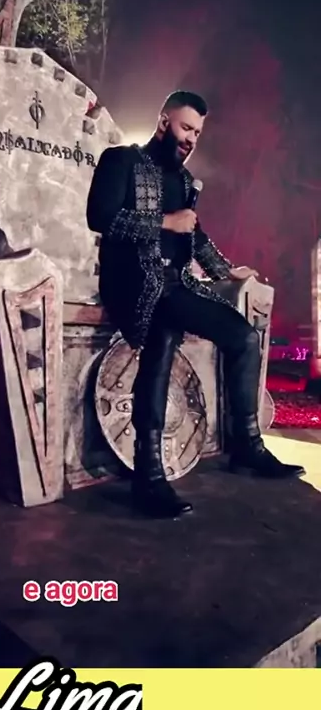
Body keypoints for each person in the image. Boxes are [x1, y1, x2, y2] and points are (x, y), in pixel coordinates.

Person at [86, 90, 304, 519]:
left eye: (198, 133)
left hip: (175, 284)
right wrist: (166, 221)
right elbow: (101, 217)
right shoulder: (122, 160)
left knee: (243, 337)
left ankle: (245, 447)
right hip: (131, 283)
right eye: (186, 128)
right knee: (164, 333)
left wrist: (226, 270)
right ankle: (150, 476)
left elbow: (195, 236)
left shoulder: (184, 181)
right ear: (163, 121)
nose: (191, 139)